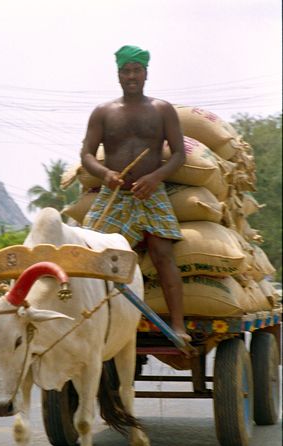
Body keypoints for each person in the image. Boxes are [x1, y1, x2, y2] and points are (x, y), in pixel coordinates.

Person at [81, 44, 190, 343]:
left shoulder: (162, 109)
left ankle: (178, 326)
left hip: (150, 193)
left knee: (163, 254)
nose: (131, 76)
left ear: (146, 73)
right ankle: (91, 323)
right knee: (90, 255)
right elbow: (87, 155)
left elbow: (179, 155)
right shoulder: (103, 112)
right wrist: (106, 174)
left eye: (136, 70)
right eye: (126, 71)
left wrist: (155, 178)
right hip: (115, 194)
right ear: (118, 75)